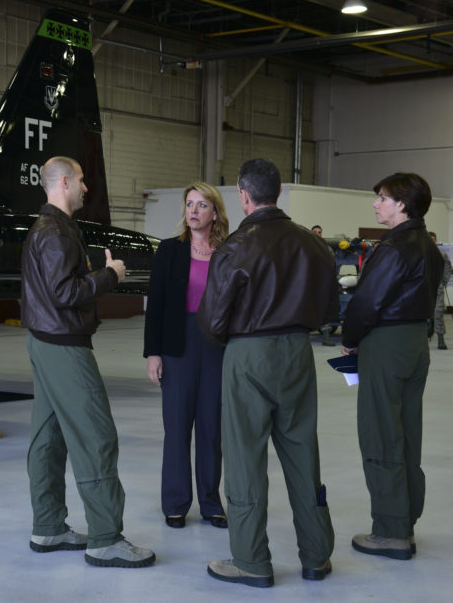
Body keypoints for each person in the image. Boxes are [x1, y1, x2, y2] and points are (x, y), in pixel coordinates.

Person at [198, 158, 337, 588]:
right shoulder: (314, 246)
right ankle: (316, 557)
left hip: (248, 353)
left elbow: (212, 321)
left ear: (243, 194)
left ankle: (252, 560)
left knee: (244, 457)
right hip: (298, 353)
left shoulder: (236, 247)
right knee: (301, 452)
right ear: (278, 192)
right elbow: (331, 311)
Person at [21, 156, 155, 568]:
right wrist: (111, 274)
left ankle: (48, 527)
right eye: (80, 180)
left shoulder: (46, 230)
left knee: (48, 437)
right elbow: (66, 292)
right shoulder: (56, 232)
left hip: (44, 340)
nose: (85, 188)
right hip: (64, 345)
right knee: (96, 435)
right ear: (63, 182)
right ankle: (106, 537)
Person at [341, 173, 443, 560]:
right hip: (416, 342)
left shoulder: (395, 247)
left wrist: (349, 338)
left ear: (402, 204)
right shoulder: (429, 248)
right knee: (406, 434)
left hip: (386, 343)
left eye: (382, 198)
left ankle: (390, 531)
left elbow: (367, 303)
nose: (376, 204)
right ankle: (406, 519)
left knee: (381, 434)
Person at [143, 182, 229, 530]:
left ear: (215, 213)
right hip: (177, 345)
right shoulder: (169, 251)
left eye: (202, 205)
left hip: (217, 346)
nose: (193, 211)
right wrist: (153, 353)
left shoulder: (229, 251)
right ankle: (176, 502)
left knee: (211, 429)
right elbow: (156, 305)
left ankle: (210, 503)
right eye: (189, 204)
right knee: (176, 428)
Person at [312, 224, 337, 346]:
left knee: (325, 309)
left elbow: (332, 265)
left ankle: (326, 337)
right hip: (309, 283)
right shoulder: (306, 246)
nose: (318, 234)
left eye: (319, 232)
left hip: (324, 283)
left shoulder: (328, 249)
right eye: (315, 232)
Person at [428, 231, 453, 350]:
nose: (432, 241)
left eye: (433, 239)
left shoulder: (442, 254)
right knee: (424, 313)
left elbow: (447, 268)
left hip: (437, 287)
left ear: (436, 240)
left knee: (438, 313)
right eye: (430, 239)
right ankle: (426, 333)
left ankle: (440, 339)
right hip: (424, 288)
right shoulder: (421, 253)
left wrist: (443, 282)